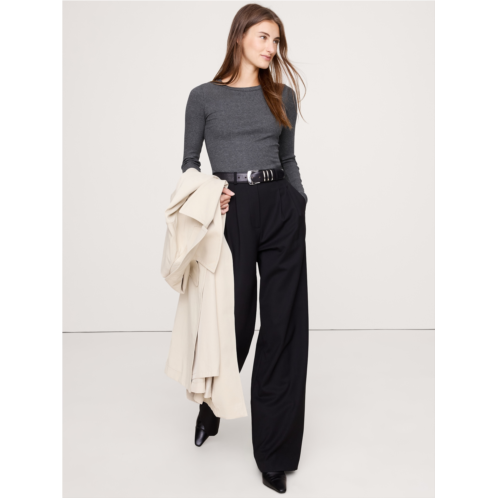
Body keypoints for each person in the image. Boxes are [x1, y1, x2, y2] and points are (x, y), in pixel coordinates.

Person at [180, 3, 309, 494]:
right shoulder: (203, 97)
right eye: (263, 37)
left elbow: (289, 158)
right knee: (233, 322)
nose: (271, 48)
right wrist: (210, 194)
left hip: (280, 208)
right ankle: (210, 407)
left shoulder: (282, 95)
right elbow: (189, 164)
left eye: (276, 40)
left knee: (282, 327)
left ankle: (274, 452)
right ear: (239, 37)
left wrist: (298, 202)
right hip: (231, 212)